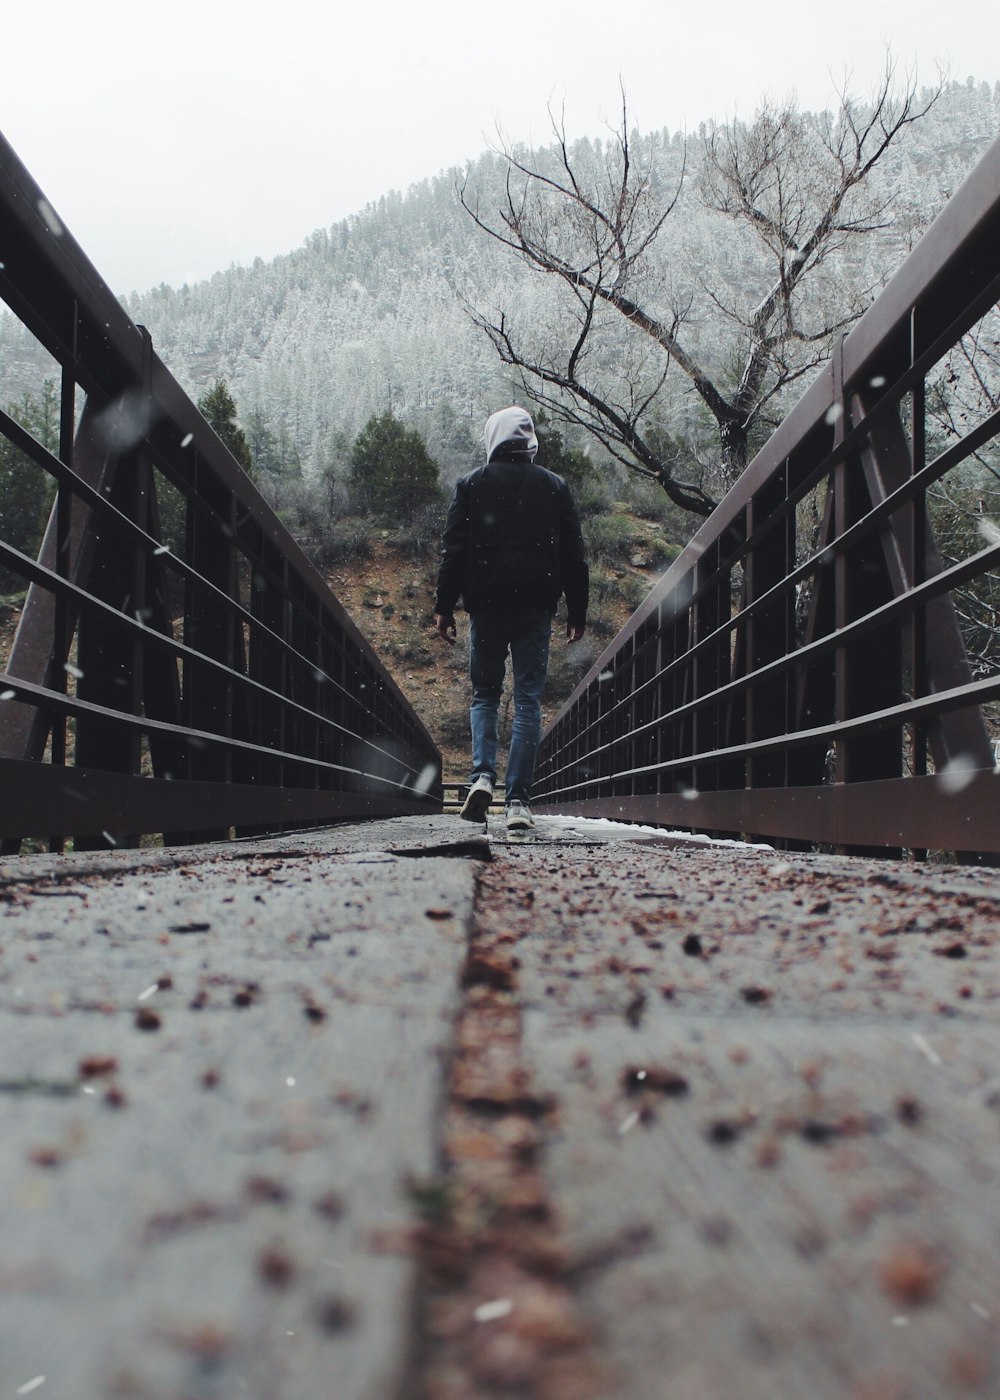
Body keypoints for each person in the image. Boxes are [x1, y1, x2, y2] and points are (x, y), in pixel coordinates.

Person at [433, 406, 589, 831]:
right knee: (527, 701)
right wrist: (578, 611)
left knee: (485, 694)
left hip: (486, 606)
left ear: (493, 438)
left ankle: (482, 776)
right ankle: (518, 802)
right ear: (529, 441)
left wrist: (444, 606)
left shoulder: (471, 485)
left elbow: (455, 551)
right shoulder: (554, 486)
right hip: (535, 609)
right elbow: (573, 553)